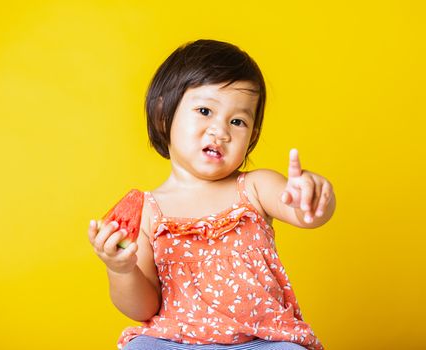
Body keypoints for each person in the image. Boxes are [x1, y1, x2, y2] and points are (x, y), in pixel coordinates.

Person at [88, 39, 335, 350]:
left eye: (238, 121)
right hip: (175, 342)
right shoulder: (151, 212)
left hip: (260, 342)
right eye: (205, 111)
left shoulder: (256, 187)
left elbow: (304, 214)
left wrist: (310, 196)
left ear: (252, 135)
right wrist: (120, 268)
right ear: (164, 114)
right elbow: (142, 309)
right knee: (141, 346)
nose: (221, 131)